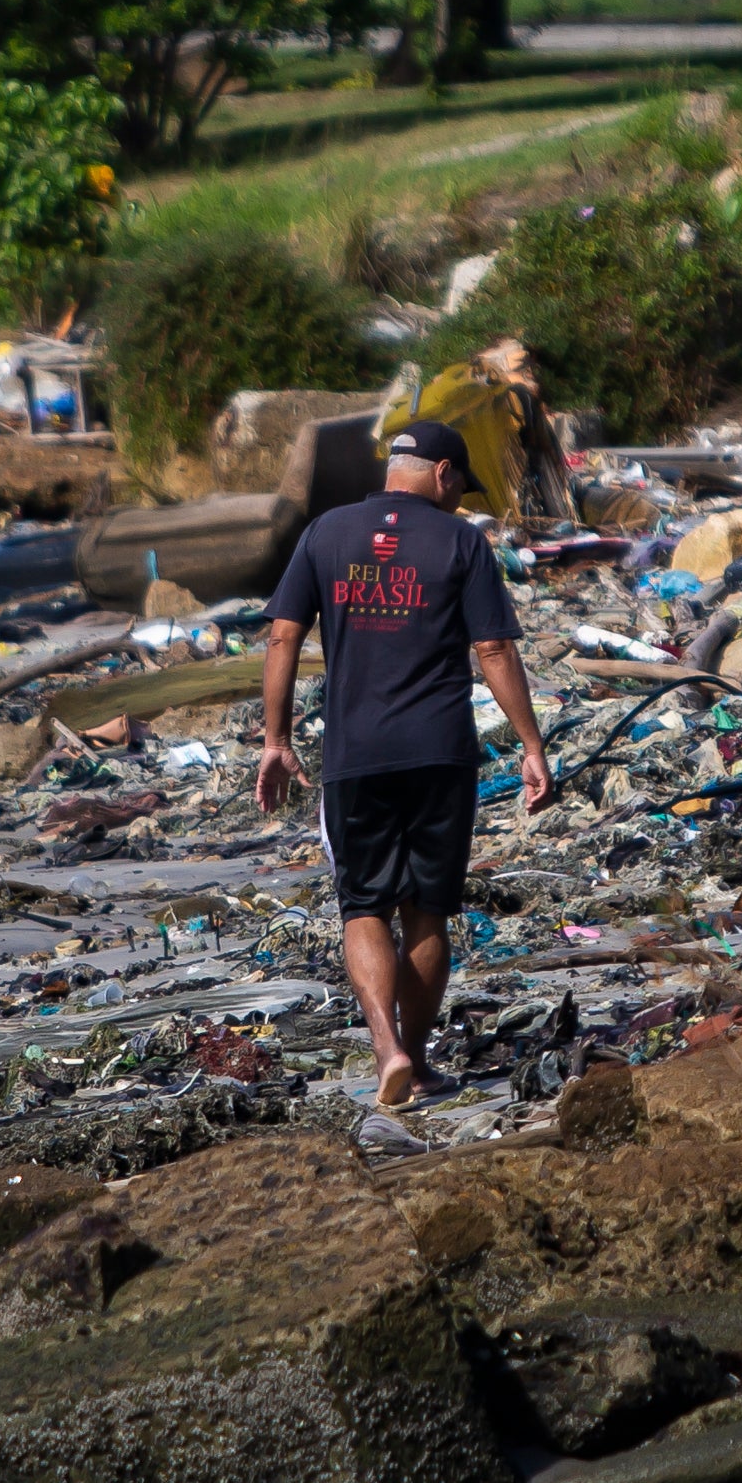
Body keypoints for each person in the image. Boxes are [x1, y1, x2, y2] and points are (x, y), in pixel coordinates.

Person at [257, 420, 551, 1109]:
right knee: (426, 912)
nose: (458, 497)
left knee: (363, 904)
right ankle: (415, 1063)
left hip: (355, 755)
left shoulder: (326, 532)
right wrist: (532, 746)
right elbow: (497, 652)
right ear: (443, 473)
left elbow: (282, 635)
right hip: (439, 752)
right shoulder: (459, 540)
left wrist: (275, 737)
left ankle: (384, 1048)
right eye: (459, 484)